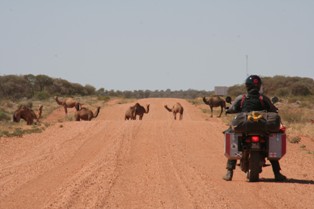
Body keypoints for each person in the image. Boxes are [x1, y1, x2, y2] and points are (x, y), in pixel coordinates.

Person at [223, 75, 287, 182]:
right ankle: (277, 173)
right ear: (259, 86)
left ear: (247, 86)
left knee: (233, 136)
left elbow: (233, 108)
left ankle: (229, 172)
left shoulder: (241, 98)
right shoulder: (263, 98)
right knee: (270, 145)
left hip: (245, 127)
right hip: (262, 128)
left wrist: (228, 109)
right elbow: (272, 109)